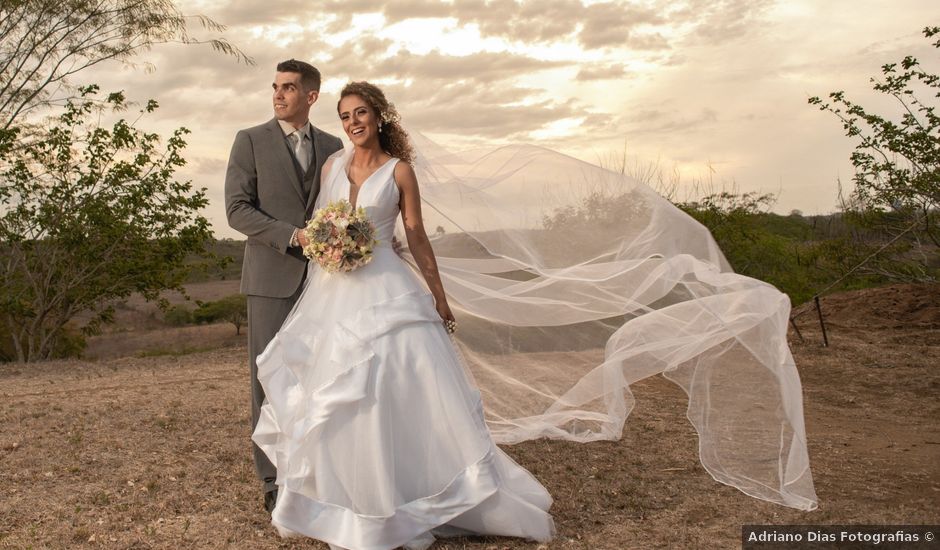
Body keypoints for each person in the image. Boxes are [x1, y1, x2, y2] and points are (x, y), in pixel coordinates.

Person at [251, 81, 557, 550]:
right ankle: (340, 501)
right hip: (333, 290)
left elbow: (415, 235)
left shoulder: (400, 172)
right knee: (336, 394)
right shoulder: (333, 164)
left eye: (361, 114)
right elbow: (316, 223)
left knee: (395, 384)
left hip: (385, 286)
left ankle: (415, 496)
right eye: (345, 116)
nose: (353, 123)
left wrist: (439, 295)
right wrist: (329, 242)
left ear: (380, 117)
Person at [224, 59, 343, 514]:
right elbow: (237, 210)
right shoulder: (249, 141)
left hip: (325, 282)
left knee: (321, 377)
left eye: (289, 88)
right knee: (268, 380)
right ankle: (273, 480)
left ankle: (317, 470)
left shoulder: (334, 146)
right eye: (275, 87)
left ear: (311, 96)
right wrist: (293, 236)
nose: (278, 95)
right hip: (271, 279)